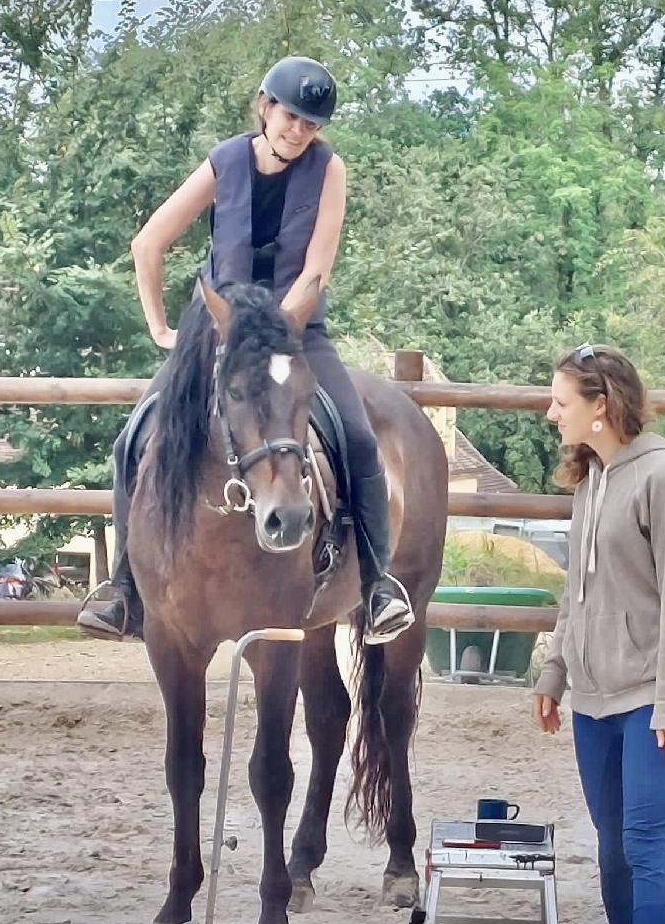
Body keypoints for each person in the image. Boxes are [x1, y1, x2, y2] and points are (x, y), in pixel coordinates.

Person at [77, 56, 414, 645]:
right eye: (290, 116)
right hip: (217, 333)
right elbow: (148, 241)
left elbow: (317, 270)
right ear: (265, 107)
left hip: (293, 333)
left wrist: (275, 328)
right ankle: (125, 586)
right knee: (133, 438)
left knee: (360, 438)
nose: (298, 130)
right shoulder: (224, 162)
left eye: (310, 123)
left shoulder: (329, 170)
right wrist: (160, 327)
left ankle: (379, 584)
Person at [532, 342, 665, 924]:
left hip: (652, 700)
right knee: (610, 850)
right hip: (593, 701)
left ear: (601, 405)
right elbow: (576, 592)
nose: (551, 414)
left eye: (561, 402)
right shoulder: (591, 481)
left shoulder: (663, 479)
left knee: (644, 844)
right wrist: (554, 671)